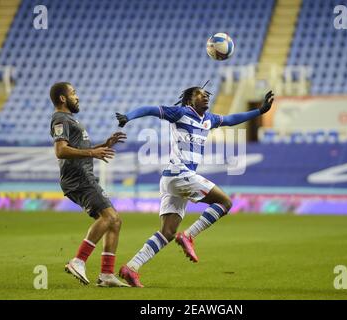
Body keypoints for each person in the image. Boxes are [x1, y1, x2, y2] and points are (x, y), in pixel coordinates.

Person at [115, 86, 274, 287]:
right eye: (201, 94)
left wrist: (260, 111)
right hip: (181, 174)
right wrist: (128, 117)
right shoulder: (181, 113)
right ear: (190, 100)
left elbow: (232, 119)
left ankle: (131, 267)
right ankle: (189, 235)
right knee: (225, 202)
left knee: (167, 232)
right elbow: (151, 109)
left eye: (207, 94)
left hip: (172, 179)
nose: (206, 96)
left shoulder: (209, 119)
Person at [49, 82, 129, 287]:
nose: (77, 97)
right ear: (62, 98)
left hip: (84, 176)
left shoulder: (69, 119)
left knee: (115, 221)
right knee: (109, 217)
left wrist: (103, 145)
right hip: (78, 177)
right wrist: (92, 153)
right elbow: (61, 150)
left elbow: (78, 149)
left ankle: (107, 275)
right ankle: (78, 261)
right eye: (73, 93)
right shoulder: (60, 119)